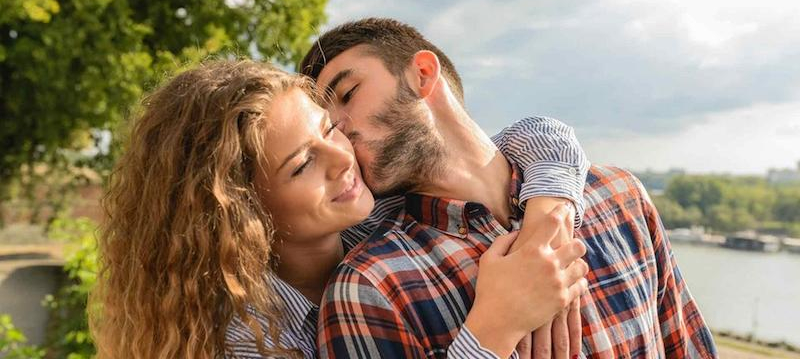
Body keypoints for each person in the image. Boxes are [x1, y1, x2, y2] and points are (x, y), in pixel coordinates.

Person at [90, 59, 591, 359]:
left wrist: (547, 223)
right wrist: (495, 327)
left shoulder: (375, 215)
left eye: (329, 129)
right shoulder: (245, 342)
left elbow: (536, 137)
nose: (343, 158)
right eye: (302, 164)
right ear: (240, 211)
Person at [299, 18, 719, 358]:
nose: (338, 129)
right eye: (326, 125)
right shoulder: (369, 288)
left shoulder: (619, 196)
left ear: (423, 74)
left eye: (348, 94)